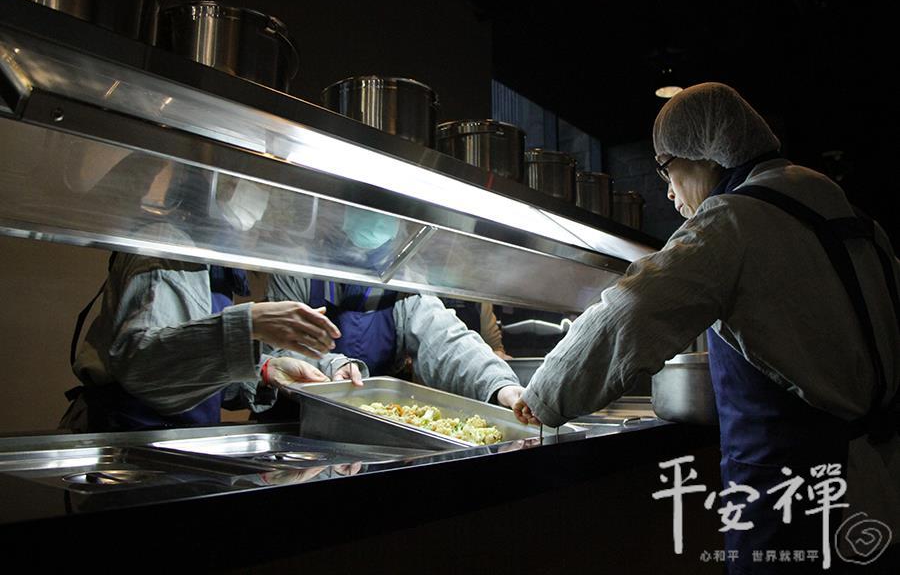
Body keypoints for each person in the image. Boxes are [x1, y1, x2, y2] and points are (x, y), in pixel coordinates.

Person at [513, 83, 899, 573]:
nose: (668, 190)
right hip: (881, 482)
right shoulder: (855, 219)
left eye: (665, 168)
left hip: (792, 492)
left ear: (704, 154)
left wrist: (546, 395)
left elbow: (630, 310)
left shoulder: (734, 219)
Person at [60, 174, 357, 432]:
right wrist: (249, 324)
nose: (263, 196)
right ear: (210, 181)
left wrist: (266, 370)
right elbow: (146, 373)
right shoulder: (166, 243)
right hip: (126, 437)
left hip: (182, 438)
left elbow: (194, 367)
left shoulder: (213, 261)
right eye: (247, 181)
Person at [251, 207, 526, 422]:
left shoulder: (402, 279)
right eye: (364, 205)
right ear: (340, 209)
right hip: (292, 423)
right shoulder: (297, 269)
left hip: (369, 426)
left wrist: (499, 386)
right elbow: (273, 352)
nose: (374, 217)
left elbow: (445, 340)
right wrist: (331, 366)